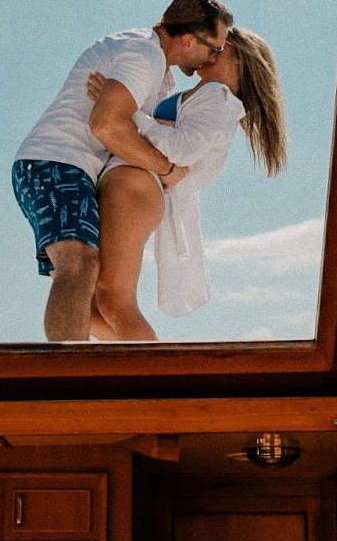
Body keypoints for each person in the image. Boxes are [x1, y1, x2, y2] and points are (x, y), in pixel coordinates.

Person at [12, 0, 233, 341]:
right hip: (58, 162)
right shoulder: (144, 54)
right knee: (79, 267)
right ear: (189, 40)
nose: (213, 57)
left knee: (86, 283)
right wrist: (165, 169)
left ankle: (142, 376)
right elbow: (107, 125)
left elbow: (127, 124)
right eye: (214, 48)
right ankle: (68, 380)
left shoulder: (151, 62)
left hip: (66, 167)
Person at [86, 27, 287, 341]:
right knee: (90, 306)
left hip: (134, 182)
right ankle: (138, 375)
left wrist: (126, 113)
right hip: (127, 179)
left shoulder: (219, 98)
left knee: (112, 299)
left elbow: (182, 149)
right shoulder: (200, 96)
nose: (209, 52)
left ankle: (158, 384)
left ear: (242, 61)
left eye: (221, 48)